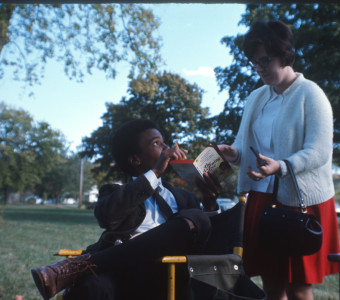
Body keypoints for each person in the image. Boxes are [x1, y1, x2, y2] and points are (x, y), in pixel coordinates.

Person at [31, 119, 222, 300]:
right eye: (157, 143)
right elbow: (107, 217)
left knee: (198, 217)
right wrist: (155, 172)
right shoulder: (115, 193)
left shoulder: (185, 198)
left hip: (168, 273)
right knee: (93, 287)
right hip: (121, 272)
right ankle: (87, 269)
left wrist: (210, 204)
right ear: (135, 159)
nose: (166, 148)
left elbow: (208, 244)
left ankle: (84, 265)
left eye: (165, 143)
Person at [217, 20, 340, 300]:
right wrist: (233, 154)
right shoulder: (255, 97)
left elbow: (319, 152)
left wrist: (281, 167)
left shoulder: (311, 94)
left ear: (284, 54)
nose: (259, 68)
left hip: (301, 202)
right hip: (261, 198)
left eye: (264, 60)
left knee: (298, 288)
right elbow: (243, 144)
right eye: (253, 62)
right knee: (271, 285)